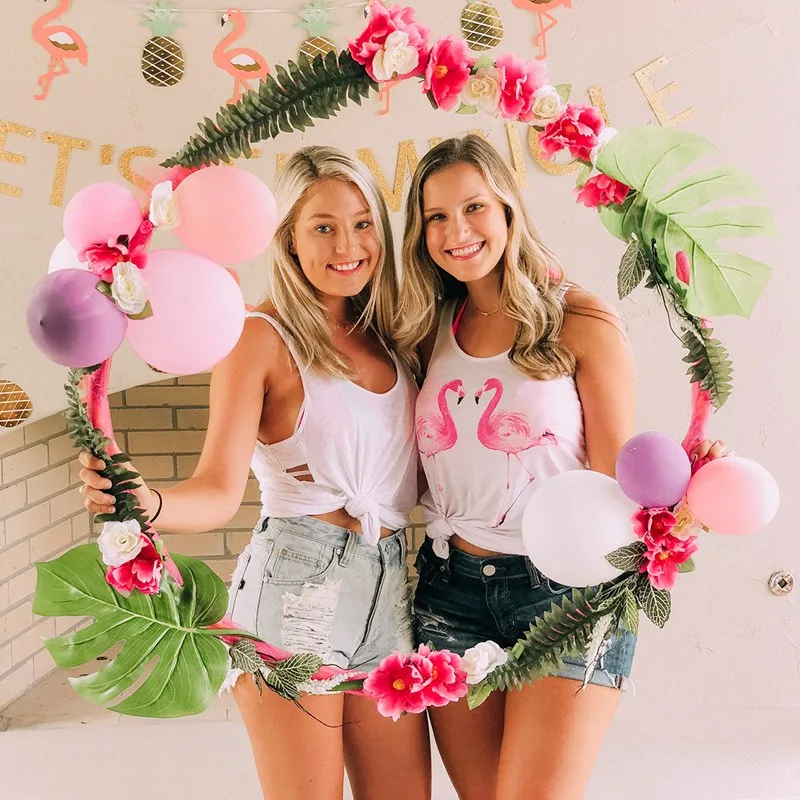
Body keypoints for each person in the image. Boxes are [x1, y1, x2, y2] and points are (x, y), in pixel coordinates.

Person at [77, 146, 431, 800]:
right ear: (289, 237)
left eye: (362, 223)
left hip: (388, 587)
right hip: (297, 588)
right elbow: (218, 489)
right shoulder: (258, 337)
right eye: (323, 226)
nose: (347, 245)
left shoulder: (391, 337)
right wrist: (146, 502)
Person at [396, 134, 726, 800]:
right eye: (436, 217)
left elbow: (615, 472)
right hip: (449, 593)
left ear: (508, 209)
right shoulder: (428, 330)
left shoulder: (580, 319)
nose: (457, 232)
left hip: (566, 594)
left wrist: (684, 495)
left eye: (474, 207)